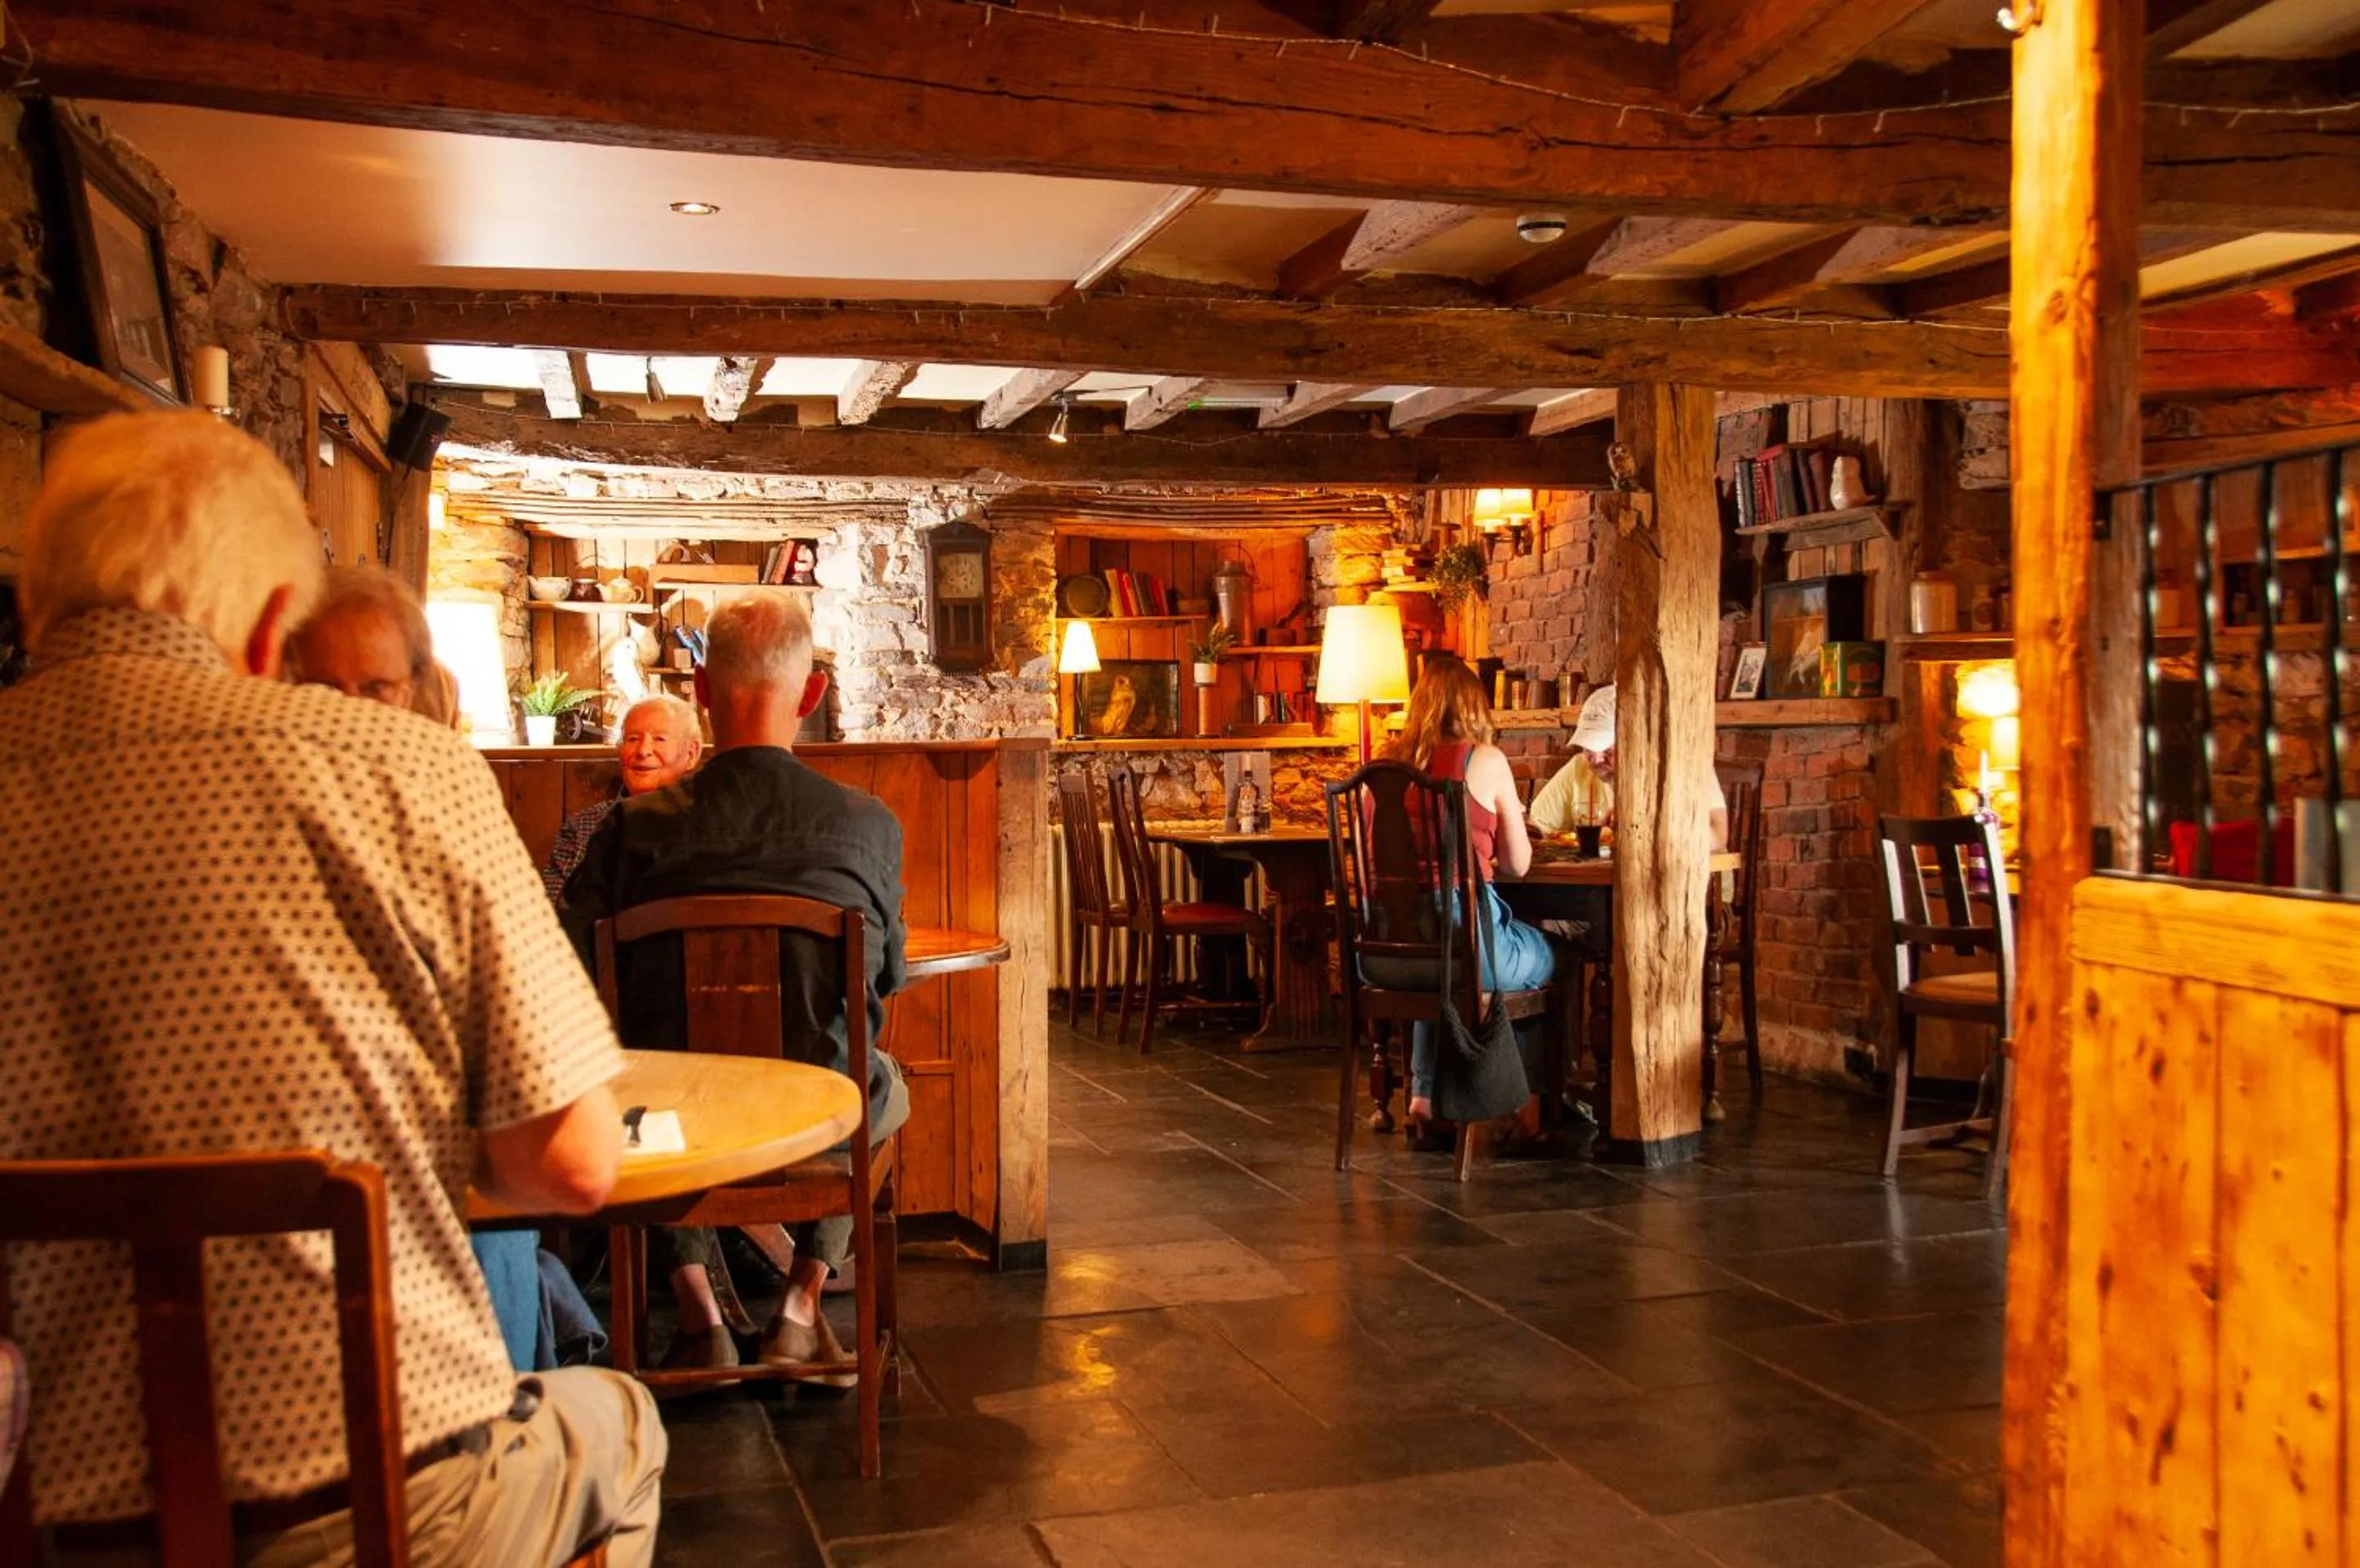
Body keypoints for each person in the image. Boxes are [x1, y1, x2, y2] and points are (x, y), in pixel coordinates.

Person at [1, 412, 665, 1566]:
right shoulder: (397, 765)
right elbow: (571, 1164)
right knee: (623, 1422)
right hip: (385, 1508)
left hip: (48, 1524)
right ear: (273, 630)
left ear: (35, 598)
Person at [561, 590, 909, 1385]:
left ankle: (700, 1316)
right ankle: (800, 1307)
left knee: (640, 1083)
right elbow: (886, 977)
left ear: (702, 693)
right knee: (882, 1082)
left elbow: (571, 968)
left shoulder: (629, 831)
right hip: (817, 1113)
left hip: (670, 1124)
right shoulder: (867, 825)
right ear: (811, 694)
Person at [1368, 652, 1568, 1140]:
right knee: (1554, 957)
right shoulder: (1486, 759)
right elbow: (1518, 864)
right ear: (1475, 706)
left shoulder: (1381, 767)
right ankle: (1527, 1102)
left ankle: (1423, 1095)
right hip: (1461, 943)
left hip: (1383, 954)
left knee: (1444, 965)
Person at [542, 695, 706, 901]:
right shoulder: (583, 827)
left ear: (691, 753)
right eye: (633, 739)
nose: (643, 751)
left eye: (659, 739)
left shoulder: (710, 824)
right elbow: (550, 908)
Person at [1528, 683, 1729, 850]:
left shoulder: (1684, 765)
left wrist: (1643, 819)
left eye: (1607, 750)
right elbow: (1537, 829)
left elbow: (1718, 835)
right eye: (1588, 748)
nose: (1596, 760)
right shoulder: (1578, 768)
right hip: (1600, 881)